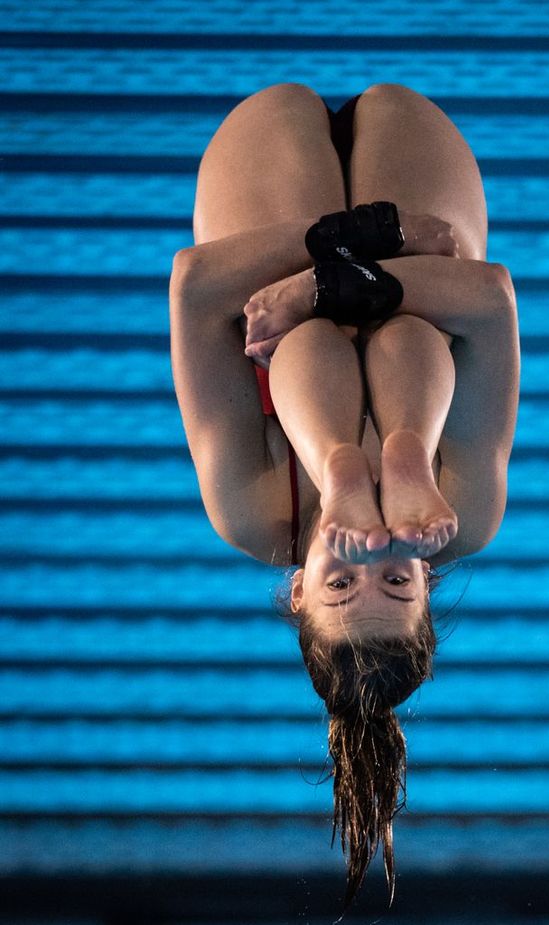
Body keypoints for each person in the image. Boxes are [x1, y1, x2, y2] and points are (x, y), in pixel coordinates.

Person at [169, 82, 520, 915]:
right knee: (406, 335)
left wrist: (319, 282)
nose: (376, 556)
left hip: (277, 205)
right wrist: (362, 256)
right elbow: (491, 299)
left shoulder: (257, 510)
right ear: (429, 583)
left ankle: (331, 447)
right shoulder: (461, 510)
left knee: (311, 344)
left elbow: (193, 288)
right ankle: (400, 436)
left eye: (339, 585)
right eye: (397, 583)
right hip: (403, 202)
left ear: (295, 589)